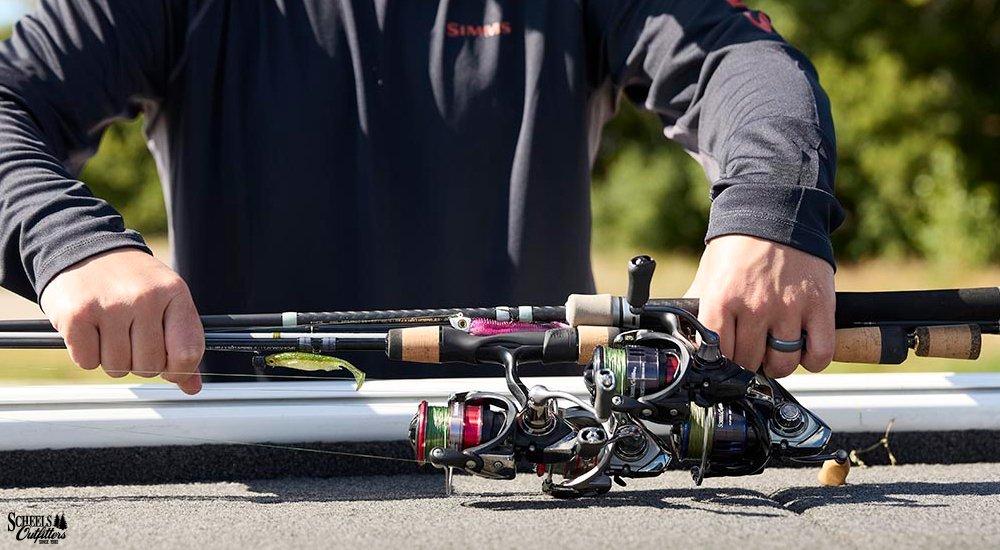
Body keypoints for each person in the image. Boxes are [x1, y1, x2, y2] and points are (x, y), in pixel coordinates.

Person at [0, 0, 843, 394]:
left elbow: (742, 61)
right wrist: (70, 241)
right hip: (251, 458)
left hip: (540, 448)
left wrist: (772, 210)